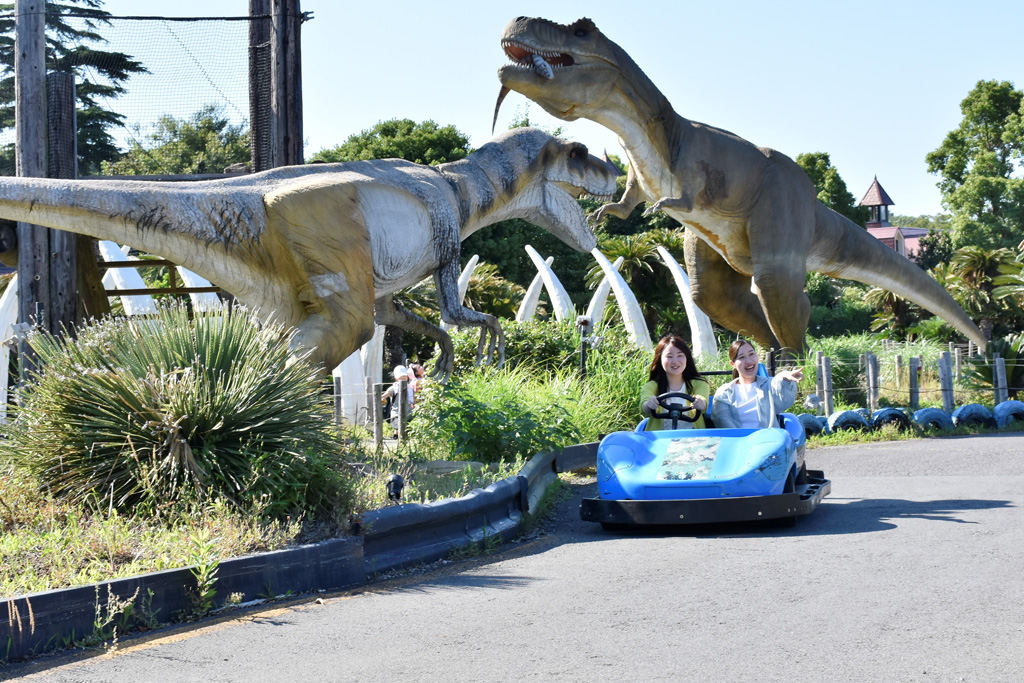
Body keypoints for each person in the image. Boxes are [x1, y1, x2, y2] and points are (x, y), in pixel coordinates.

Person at [711, 339, 804, 429]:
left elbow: (779, 386)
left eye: (751, 354)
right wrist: (744, 440)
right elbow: (722, 421)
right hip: (738, 442)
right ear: (733, 364)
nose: (748, 361)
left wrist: (785, 377)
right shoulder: (724, 393)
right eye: (742, 357)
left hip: (769, 441)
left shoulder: (768, 385)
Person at [641, 335, 709, 430]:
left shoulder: (699, 383)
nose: (675, 361)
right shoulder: (651, 386)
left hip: (693, 439)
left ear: (687, 358)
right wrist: (649, 404)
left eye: (680, 356)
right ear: (660, 359)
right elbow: (644, 404)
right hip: (660, 440)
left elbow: (703, 399)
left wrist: (700, 403)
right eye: (669, 356)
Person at [382, 365, 416, 430]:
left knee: (407, 428)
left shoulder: (410, 388)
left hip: (409, 413)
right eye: (401, 377)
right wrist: (382, 399)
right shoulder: (393, 388)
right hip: (396, 414)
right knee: (399, 426)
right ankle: (397, 435)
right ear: (396, 378)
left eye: (405, 376)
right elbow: (385, 395)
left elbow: (414, 399)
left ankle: (399, 436)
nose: (403, 378)